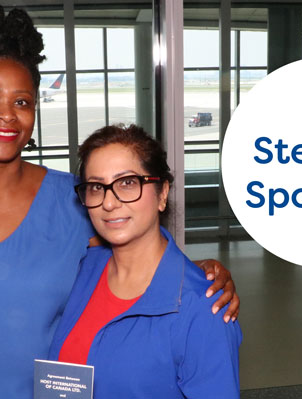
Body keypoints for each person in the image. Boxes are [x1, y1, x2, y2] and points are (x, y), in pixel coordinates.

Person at [0, 2, 239, 397]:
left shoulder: (77, 200)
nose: (7, 115)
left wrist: (200, 278)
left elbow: (133, 269)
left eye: (22, 101)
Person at [49, 124, 241, 398]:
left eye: (127, 183)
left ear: (162, 193)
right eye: (96, 186)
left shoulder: (203, 308)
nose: (109, 202)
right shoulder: (84, 268)